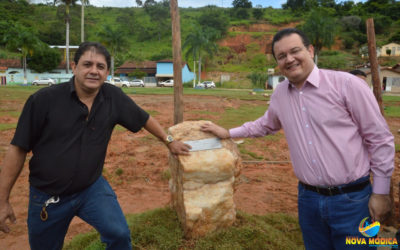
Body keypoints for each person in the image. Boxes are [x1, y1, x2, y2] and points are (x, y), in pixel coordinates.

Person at [201, 28, 394, 249]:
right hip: (308, 200)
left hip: (352, 201)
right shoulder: (280, 93)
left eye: (295, 51)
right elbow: (265, 125)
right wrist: (228, 133)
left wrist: (380, 192)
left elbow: (379, 139)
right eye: (281, 56)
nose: (289, 59)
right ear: (277, 62)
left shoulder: (347, 85)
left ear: (310, 50)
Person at [0, 42, 191, 250]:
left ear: (107, 72)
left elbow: (143, 118)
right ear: (74, 67)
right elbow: (18, 148)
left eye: (100, 67)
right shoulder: (43, 100)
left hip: (91, 189)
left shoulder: (112, 97)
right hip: (48, 196)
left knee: (119, 235)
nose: (94, 71)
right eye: (87, 64)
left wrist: (169, 142)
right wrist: (2, 199)